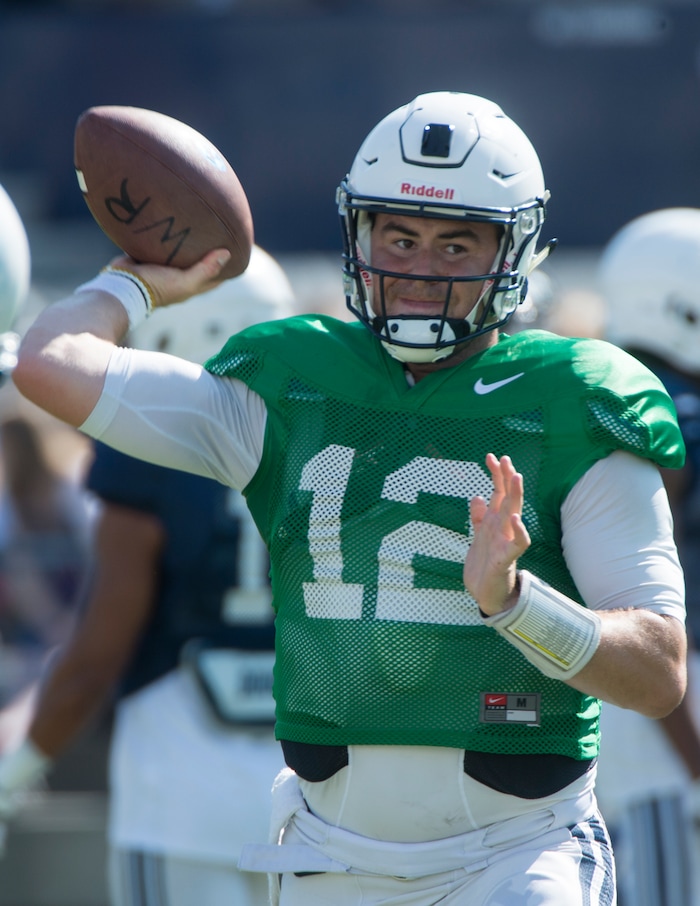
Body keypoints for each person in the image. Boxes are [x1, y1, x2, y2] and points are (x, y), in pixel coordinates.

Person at [8, 90, 690, 906]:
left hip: (517, 855)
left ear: (513, 252)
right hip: (329, 856)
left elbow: (657, 674)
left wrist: (515, 603)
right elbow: (48, 365)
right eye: (399, 236)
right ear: (359, 234)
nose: (419, 270)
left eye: (455, 243)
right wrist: (138, 284)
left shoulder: (575, 396)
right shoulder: (289, 381)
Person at [0, 246, 293, 905]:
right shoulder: (316, 443)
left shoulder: (152, 454)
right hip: (306, 800)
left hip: (179, 795)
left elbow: (95, 658)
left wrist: (12, 774)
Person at [596, 207, 700, 906]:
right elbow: (636, 594)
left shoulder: (596, 394)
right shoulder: (666, 418)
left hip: (611, 689)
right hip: (656, 713)